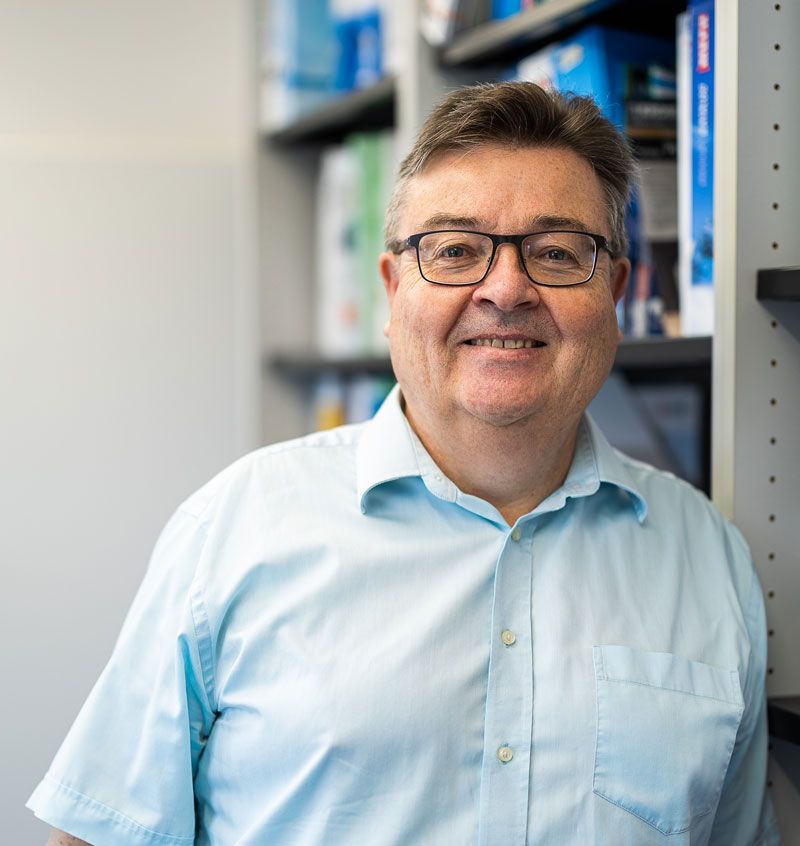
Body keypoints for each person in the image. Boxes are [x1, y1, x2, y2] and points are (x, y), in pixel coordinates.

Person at [30, 82, 778, 845]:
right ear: (393, 290)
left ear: (614, 292)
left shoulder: (708, 559)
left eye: (557, 252)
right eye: (455, 250)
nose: (506, 289)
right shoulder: (236, 529)